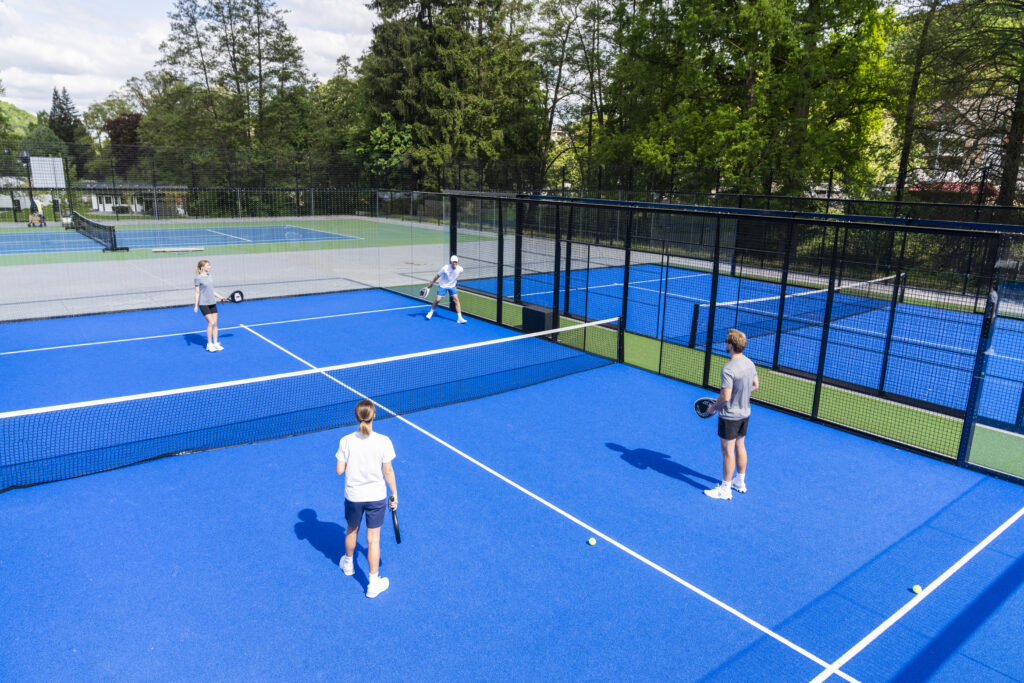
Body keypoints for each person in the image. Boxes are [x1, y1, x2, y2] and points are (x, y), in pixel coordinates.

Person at [336, 399, 399, 598]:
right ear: (374, 416)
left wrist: (353, 461)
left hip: (354, 496)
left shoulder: (346, 441)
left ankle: (348, 564)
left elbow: (339, 470)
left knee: (351, 530)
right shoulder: (384, 441)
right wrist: (394, 493)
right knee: (373, 540)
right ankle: (373, 583)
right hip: (376, 497)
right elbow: (388, 471)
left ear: (357, 417)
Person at [704, 328, 759, 500]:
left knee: (728, 451)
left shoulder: (728, 369)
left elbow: (725, 397)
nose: (725, 343)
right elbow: (755, 385)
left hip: (729, 417)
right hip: (745, 413)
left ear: (731, 345)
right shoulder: (749, 363)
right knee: (740, 446)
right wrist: (740, 395)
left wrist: (713, 408)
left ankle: (725, 490)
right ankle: (740, 482)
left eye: (727, 341)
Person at [193, 260, 226, 352]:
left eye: (209, 265)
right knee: (211, 322)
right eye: (207, 265)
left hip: (212, 302)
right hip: (203, 303)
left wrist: (221, 297)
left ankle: (215, 343)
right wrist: (196, 305)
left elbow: (212, 291)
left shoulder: (210, 276)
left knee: (215, 324)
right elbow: (197, 293)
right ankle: (209, 344)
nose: (209, 267)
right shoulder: (198, 278)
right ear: (202, 267)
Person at [425, 255, 466, 323]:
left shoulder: (460, 269)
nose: (454, 263)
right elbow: (437, 275)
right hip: (443, 285)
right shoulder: (445, 268)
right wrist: (432, 283)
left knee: (456, 300)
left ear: (458, 262)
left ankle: (460, 318)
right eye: (453, 262)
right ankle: (431, 312)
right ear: (450, 262)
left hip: (452, 286)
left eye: (456, 262)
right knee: (438, 300)